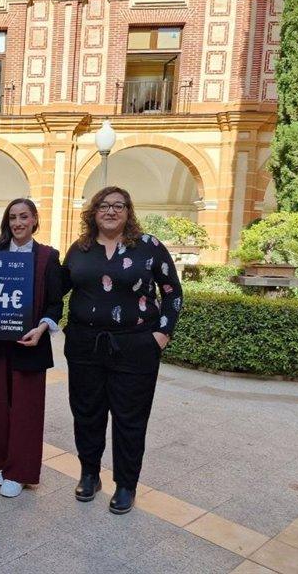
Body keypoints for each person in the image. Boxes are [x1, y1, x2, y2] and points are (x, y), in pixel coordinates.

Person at [61, 186, 182, 514]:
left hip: (136, 346)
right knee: (87, 413)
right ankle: (89, 474)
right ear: (93, 212)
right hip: (85, 347)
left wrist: (161, 336)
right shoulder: (80, 248)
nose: (111, 211)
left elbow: (172, 292)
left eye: (118, 206)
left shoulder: (149, 247)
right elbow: (56, 289)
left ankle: (126, 485)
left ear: (128, 212)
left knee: (130, 419)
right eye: (103, 206)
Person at [0, 199, 63, 498]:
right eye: (13, 217)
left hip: (31, 344)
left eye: (23, 217)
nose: (18, 223)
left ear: (34, 219)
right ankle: (3, 463)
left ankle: (21, 471)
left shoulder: (47, 257)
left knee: (27, 411)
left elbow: (55, 303)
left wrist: (42, 328)